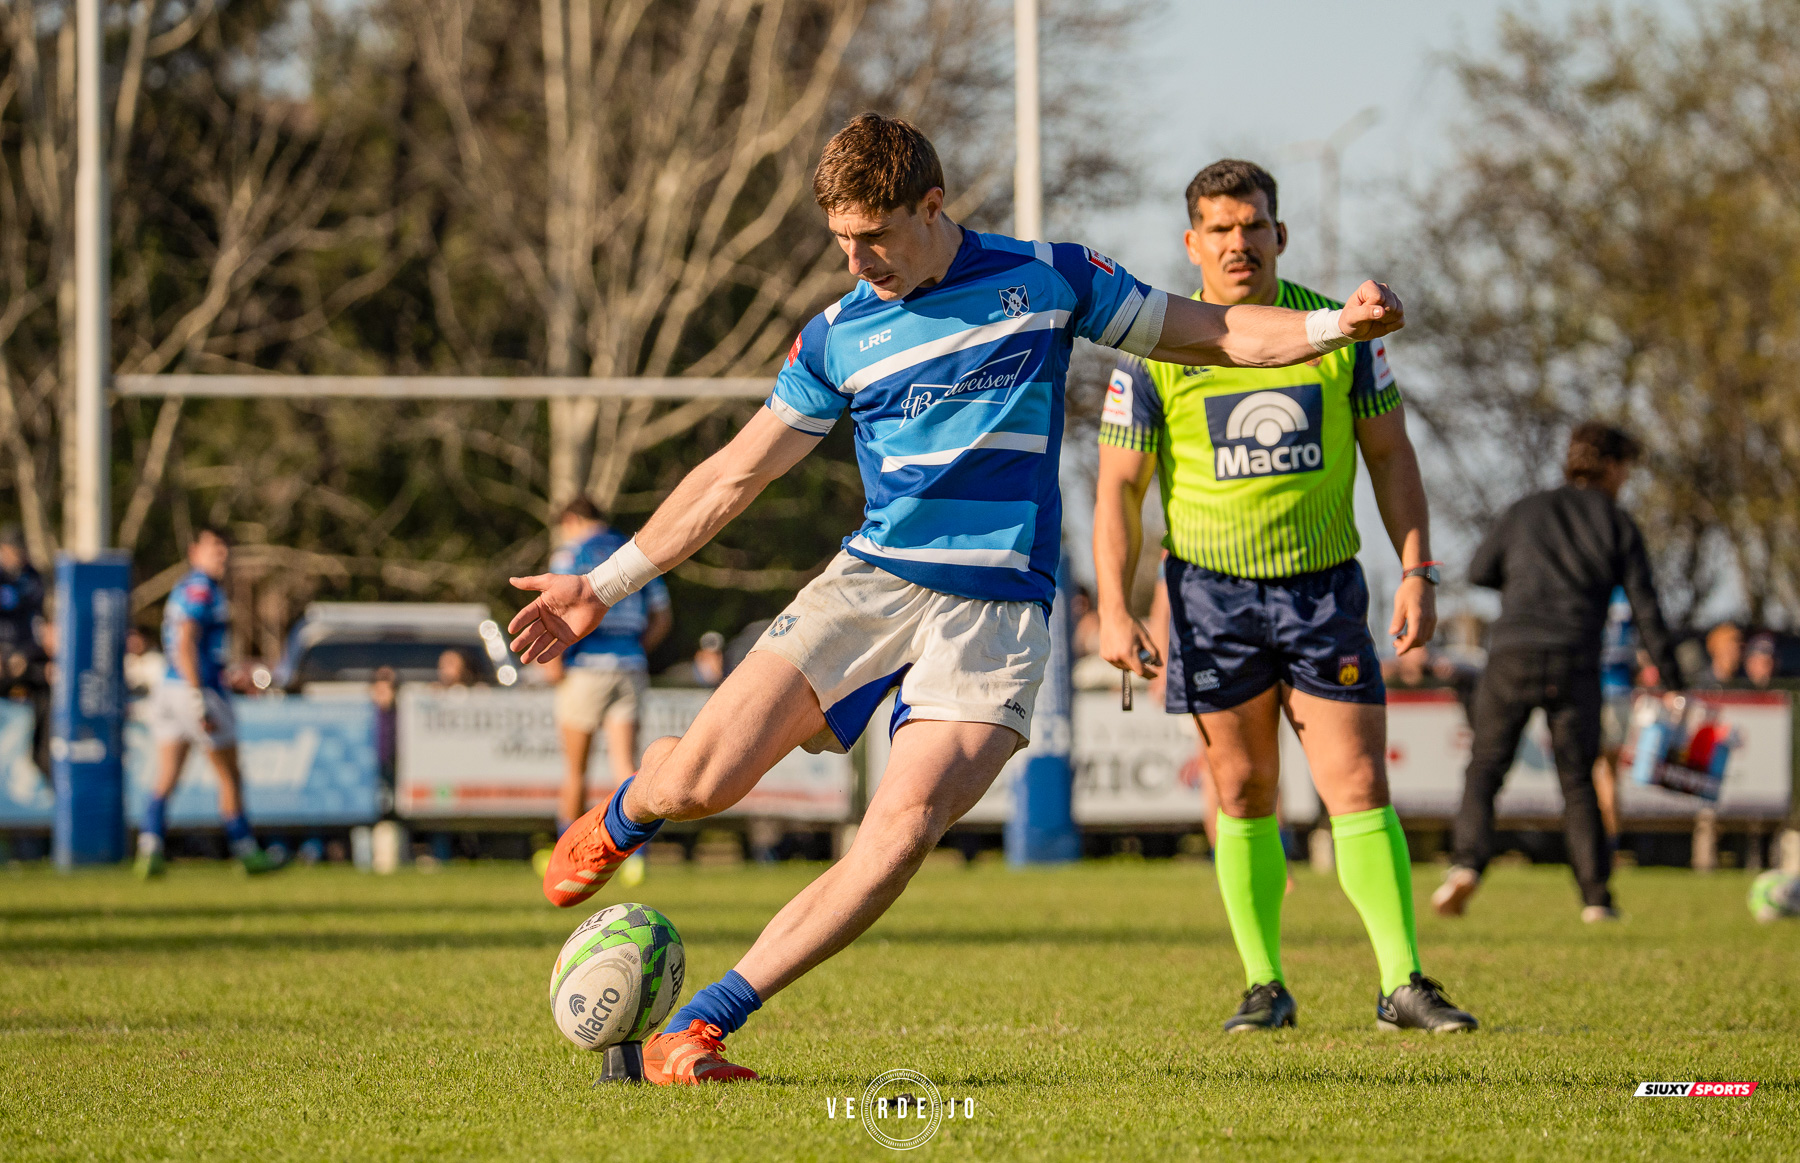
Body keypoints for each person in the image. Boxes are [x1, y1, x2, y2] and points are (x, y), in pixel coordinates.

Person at [507, 114, 1407, 1084]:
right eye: (841, 240)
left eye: (874, 236)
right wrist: (601, 586)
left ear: (931, 206)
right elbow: (734, 475)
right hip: (869, 585)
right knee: (702, 783)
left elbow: (1213, 329)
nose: (857, 259)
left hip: (997, 614)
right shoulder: (839, 333)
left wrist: (1331, 326)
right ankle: (631, 808)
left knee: (899, 832)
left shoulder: (1049, 278)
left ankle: (703, 1024)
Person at [1093, 159, 1473, 1035]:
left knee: (1357, 781)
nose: (1237, 243)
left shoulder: (1342, 330)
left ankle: (1402, 981)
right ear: (1193, 243)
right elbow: (1118, 487)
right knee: (1242, 788)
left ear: (1279, 235)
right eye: (1219, 230)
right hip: (1209, 597)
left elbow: (1391, 456)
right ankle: (1264, 984)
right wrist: (1115, 604)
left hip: (1323, 589)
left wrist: (1417, 569)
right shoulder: (1154, 346)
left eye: (1252, 226)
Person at [1436, 423, 1683, 922]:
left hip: (1513, 654)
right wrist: (1674, 681)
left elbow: (1481, 569)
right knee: (1577, 782)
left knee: (1485, 769)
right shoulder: (1616, 522)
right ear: (1611, 466)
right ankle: (1596, 898)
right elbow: (1646, 608)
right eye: (1626, 470)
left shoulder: (1526, 510)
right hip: (1575, 657)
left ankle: (1466, 865)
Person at [136, 528, 284, 877]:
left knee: (167, 775)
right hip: (194, 689)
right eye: (214, 547)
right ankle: (246, 850)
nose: (222, 554)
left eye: (225, 547)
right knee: (229, 774)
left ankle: (149, 847)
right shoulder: (202, 587)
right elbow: (187, 637)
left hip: (169, 688)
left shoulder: (185, 586)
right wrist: (197, 692)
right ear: (194, 551)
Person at [541, 497, 672, 839]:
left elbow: (555, 610)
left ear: (571, 519)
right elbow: (662, 616)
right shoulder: (633, 553)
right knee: (626, 768)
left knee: (575, 770)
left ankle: (568, 853)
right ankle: (634, 853)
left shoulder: (572, 554)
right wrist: (634, 647)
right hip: (629, 666)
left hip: (585, 667)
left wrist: (552, 663)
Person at [0, 526, 48, 777]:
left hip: (25, 656)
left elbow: (39, 620)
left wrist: (26, 654)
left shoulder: (32, 577)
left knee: (49, 682)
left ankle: (42, 759)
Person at [662, 631, 727, 688]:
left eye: (717, 655)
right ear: (699, 654)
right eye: (707, 656)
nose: (714, 660)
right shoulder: (679, 675)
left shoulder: (727, 677)